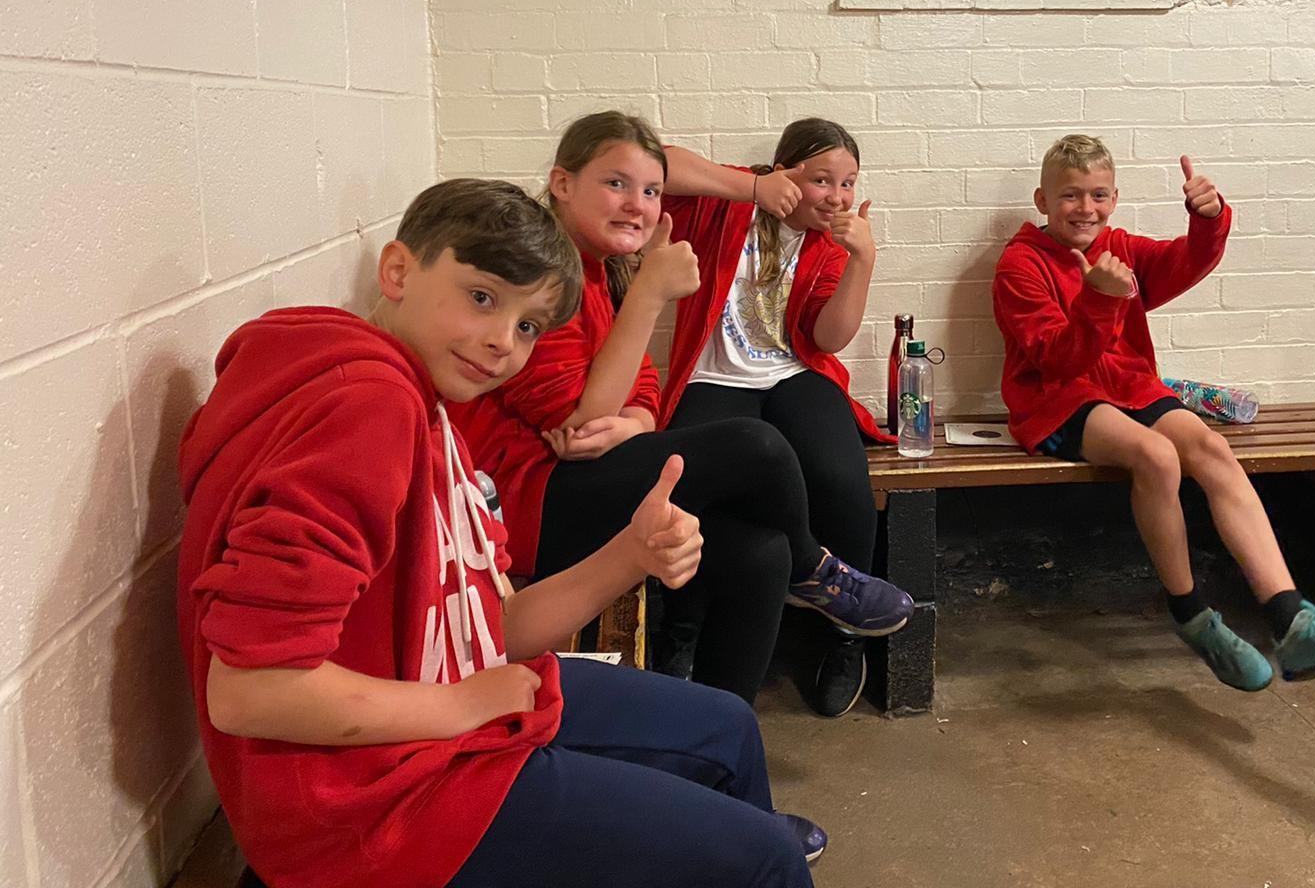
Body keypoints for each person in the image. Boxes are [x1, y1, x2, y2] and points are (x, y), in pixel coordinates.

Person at [177, 178, 821, 888]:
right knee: (768, 859)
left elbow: (492, 630)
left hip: (431, 727)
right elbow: (249, 691)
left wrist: (631, 553)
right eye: (482, 297)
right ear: (398, 271)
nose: (500, 343)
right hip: (371, 810)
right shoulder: (367, 409)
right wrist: (457, 705)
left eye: (528, 327)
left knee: (727, 730)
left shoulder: (426, 403)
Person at [452, 113, 912, 705]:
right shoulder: (546, 273)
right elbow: (581, 421)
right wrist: (653, 288)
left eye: (648, 192)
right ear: (562, 184)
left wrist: (637, 421)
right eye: (616, 184)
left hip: (583, 473)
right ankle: (809, 571)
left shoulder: (597, 267)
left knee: (763, 554)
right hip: (530, 501)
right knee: (756, 448)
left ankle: (721, 722)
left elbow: (642, 378)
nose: (639, 204)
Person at [991, 135, 1315, 689]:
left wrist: (1207, 220)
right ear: (1043, 201)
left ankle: (1293, 622)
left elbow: (1185, 262)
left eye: (1098, 195)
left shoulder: (1120, 248)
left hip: (1130, 387)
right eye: (1070, 195)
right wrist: (1099, 299)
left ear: (1114, 199)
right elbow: (1058, 362)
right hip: (1055, 400)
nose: (1085, 208)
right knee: (1157, 456)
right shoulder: (1019, 265)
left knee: (1211, 446)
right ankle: (1193, 616)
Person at [658, 119, 891, 718]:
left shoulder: (827, 243)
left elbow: (828, 338)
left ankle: (845, 638)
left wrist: (862, 259)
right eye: (822, 179)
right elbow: (655, 164)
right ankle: (681, 634)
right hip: (714, 376)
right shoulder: (729, 203)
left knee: (841, 479)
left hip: (795, 372)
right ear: (785, 171)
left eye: (848, 183)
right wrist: (753, 189)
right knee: (691, 486)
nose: (836, 196)